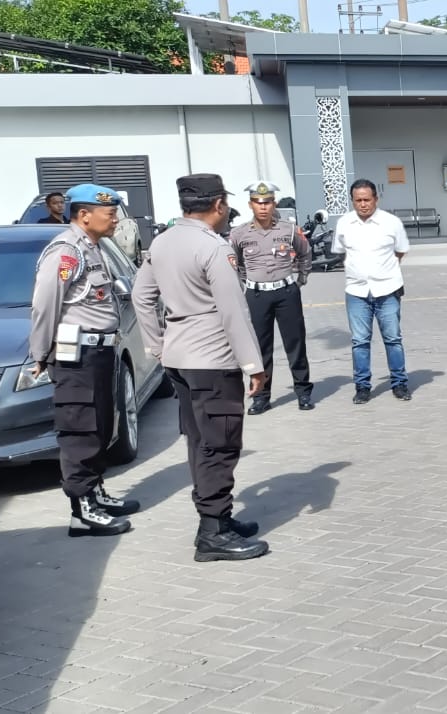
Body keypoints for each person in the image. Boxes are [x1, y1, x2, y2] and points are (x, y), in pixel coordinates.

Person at [132, 173, 271, 562]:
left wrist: (157, 345)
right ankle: (213, 533)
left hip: (179, 360)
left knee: (199, 442)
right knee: (220, 445)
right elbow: (232, 310)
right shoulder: (213, 247)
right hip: (213, 361)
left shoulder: (162, 242)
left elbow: (142, 297)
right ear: (219, 205)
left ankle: (217, 521)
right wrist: (253, 365)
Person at [28, 184, 142, 537]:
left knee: (101, 426)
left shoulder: (93, 248)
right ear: (84, 214)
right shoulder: (66, 251)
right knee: (81, 430)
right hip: (77, 356)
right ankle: (82, 511)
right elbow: (46, 305)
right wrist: (40, 353)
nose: (115, 220)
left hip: (99, 353)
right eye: (109, 214)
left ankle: (95, 492)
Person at [229, 180, 314, 414]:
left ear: (274, 203)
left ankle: (303, 392)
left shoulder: (288, 229)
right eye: (258, 202)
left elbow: (305, 253)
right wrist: (245, 283)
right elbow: (235, 263)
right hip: (257, 296)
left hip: (286, 293)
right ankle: (261, 396)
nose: (263, 207)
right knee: (260, 348)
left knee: (295, 344)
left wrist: (301, 279)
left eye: (267, 202)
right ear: (250, 204)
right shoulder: (239, 234)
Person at [332, 179, 411, 404]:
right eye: (358, 200)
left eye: (367, 200)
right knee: (359, 341)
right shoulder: (344, 223)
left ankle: (399, 383)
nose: (363, 204)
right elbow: (340, 251)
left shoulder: (391, 223)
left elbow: (401, 250)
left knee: (393, 339)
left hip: (387, 290)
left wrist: (384, 270)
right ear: (352, 201)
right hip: (356, 292)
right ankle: (362, 387)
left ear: (376, 199)